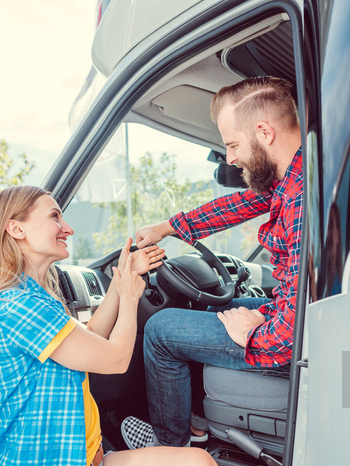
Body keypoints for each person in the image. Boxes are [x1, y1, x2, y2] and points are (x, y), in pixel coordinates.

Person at [0, 186, 216, 466]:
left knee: (199, 461)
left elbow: (88, 340)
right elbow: (116, 359)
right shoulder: (17, 304)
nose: (68, 229)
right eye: (55, 217)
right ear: (16, 229)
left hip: (88, 458)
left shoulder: (34, 297)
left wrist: (121, 278)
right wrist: (128, 296)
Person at [121, 76, 303, 449]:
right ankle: (198, 425)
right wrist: (167, 227)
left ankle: (174, 448)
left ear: (264, 132)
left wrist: (251, 333)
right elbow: (236, 206)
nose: (231, 158)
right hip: (294, 317)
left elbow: (289, 339)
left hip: (298, 341)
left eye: (233, 144)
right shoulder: (298, 179)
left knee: (161, 330)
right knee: (218, 307)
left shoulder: (300, 202)